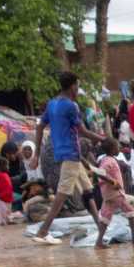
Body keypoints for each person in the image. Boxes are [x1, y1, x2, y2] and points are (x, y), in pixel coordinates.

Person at [32, 71, 95, 245]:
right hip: (70, 154)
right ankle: (43, 230)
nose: (78, 90)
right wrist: (103, 139)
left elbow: (39, 127)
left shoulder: (52, 104)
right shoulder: (70, 106)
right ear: (73, 86)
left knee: (88, 189)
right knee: (62, 194)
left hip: (65, 155)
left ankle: (100, 227)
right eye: (78, 86)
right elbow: (82, 131)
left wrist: (36, 153)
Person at [92, 136, 134, 249]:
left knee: (105, 217)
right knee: (131, 212)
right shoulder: (109, 161)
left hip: (108, 194)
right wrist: (113, 182)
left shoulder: (106, 159)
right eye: (118, 147)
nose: (120, 149)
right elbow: (100, 173)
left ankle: (98, 242)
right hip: (115, 193)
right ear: (113, 149)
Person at [0, 142, 18, 226]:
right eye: (7, 154)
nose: (8, 167)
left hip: (9, 196)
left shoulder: (5, 173)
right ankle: (3, 221)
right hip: (2, 196)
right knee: (3, 210)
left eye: (12, 153)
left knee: (8, 209)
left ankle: (8, 220)